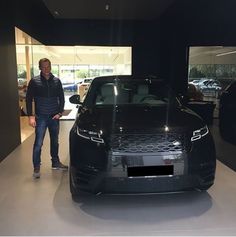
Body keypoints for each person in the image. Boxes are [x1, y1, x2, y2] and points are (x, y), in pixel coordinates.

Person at [26, 58, 68, 179]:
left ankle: (55, 163)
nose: (46, 69)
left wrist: (60, 113)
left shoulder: (57, 81)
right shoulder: (34, 81)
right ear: (40, 67)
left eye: (48, 66)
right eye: (43, 67)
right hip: (41, 117)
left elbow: (62, 98)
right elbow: (29, 99)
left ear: (50, 66)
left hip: (54, 117)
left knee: (55, 141)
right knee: (38, 143)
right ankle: (36, 167)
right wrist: (31, 116)